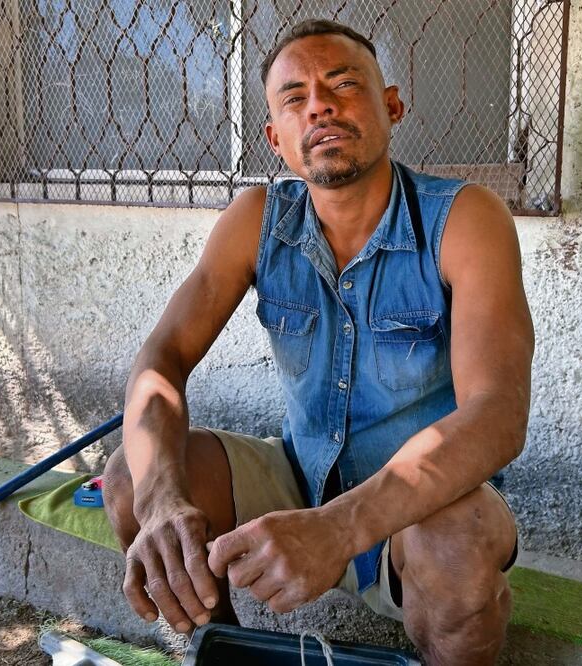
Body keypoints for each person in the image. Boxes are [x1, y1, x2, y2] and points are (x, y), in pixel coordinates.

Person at [102, 18, 534, 665]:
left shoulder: (464, 219)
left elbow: (497, 415)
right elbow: (161, 363)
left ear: (390, 107)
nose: (320, 106)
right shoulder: (254, 221)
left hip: (425, 510)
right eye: (294, 98)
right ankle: (224, 650)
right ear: (277, 138)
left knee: (457, 542)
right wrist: (161, 502)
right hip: (301, 479)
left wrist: (338, 528)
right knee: (130, 477)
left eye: (342, 84)